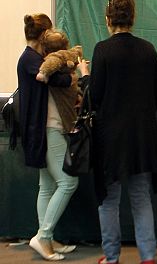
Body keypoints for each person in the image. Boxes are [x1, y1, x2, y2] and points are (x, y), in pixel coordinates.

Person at [90, 0, 157, 264]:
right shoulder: (148, 49)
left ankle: (111, 258)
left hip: (110, 137)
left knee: (109, 200)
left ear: (108, 20)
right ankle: (147, 257)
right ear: (133, 18)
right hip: (142, 136)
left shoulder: (102, 50)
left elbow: (95, 95)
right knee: (141, 199)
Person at [17, 15, 87, 261]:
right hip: (47, 129)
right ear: (44, 34)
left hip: (47, 128)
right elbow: (59, 79)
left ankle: (47, 236)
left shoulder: (36, 58)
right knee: (68, 183)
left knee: (46, 186)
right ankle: (43, 237)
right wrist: (73, 71)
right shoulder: (31, 59)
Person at [36, 30, 84, 134]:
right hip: (68, 119)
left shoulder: (54, 60)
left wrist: (43, 74)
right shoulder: (67, 64)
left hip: (54, 122)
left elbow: (51, 64)